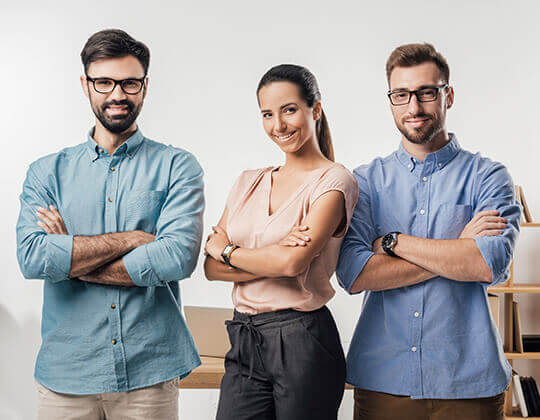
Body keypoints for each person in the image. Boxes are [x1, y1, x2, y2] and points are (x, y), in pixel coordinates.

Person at [16, 29, 204, 419]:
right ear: (85, 84)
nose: (117, 94)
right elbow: (33, 258)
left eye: (129, 83)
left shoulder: (177, 166)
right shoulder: (46, 173)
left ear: (145, 87)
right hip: (66, 376)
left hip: (150, 372)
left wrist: (71, 255)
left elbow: (176, 258)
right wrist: (132, 240)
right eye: (104, 82)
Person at [336, 43, 521, 420]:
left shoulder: (489, 177)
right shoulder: (365, 182)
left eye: (426, 92)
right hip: (383, 381)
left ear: (448, 96)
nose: (414, 107)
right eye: (401, 94)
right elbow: (354, 274)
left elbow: (487, 264)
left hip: (468, 382)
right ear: (391, 101)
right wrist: (457, 250)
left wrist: (393, 243)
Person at [204, 64, 358, 420]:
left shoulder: (334, 180)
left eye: (289, 110)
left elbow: (290, 264)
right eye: (267, 114)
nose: (278, 125)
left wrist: (227, 251)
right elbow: (211, 269)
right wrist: (270, 257)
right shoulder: (247, 182)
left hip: (302, 339)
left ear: (315, 109)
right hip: (244, 337)